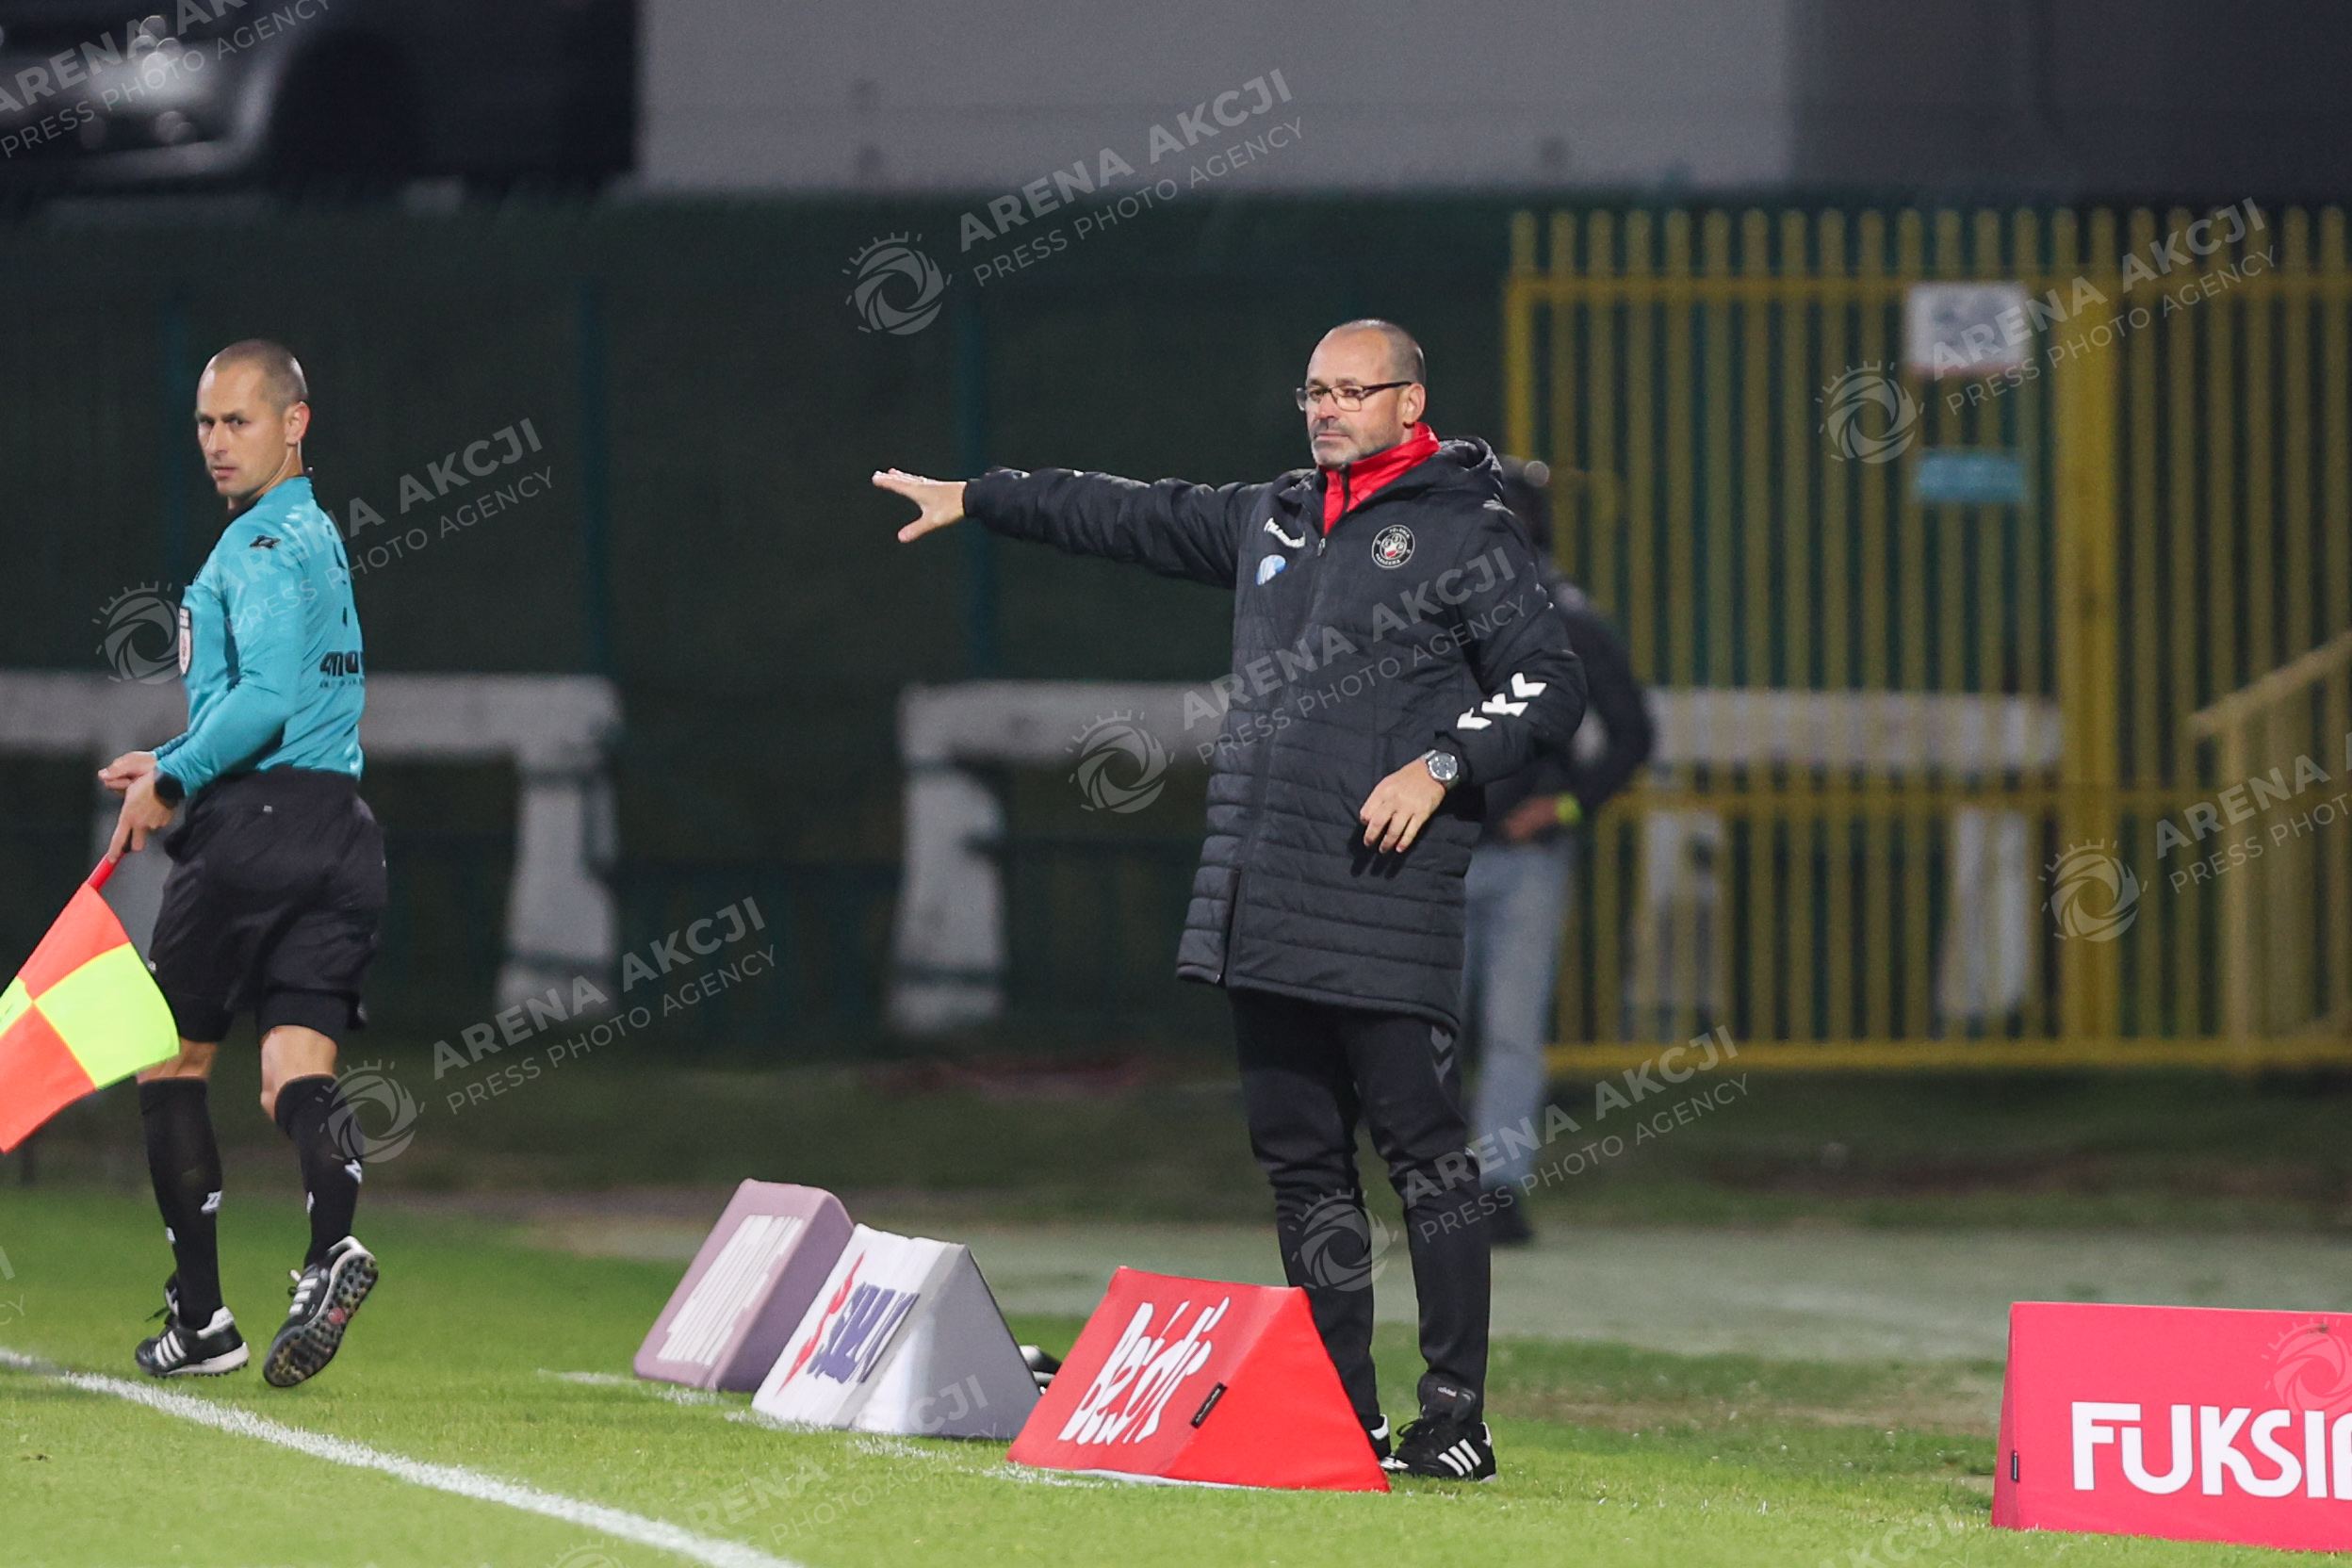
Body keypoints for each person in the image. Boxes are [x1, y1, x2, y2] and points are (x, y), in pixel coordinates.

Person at [875, 319, 1588, 1481]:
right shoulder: (1276, 514)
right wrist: (984, 496)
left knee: (1427, 1162)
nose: (1327, 409)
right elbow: (1124, 512)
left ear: (1411, 403)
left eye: (1352, 390)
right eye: (1314, 391)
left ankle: (1456, 1414)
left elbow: (1549, 681)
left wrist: (1442, 763)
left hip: (1383, 900)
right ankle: (1346, 1412)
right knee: (1303, 1164)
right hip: (1264, 899)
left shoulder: (1468, 525)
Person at [102, 339, 385, 1386]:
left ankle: (202, 1319)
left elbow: (263, 701)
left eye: (240, 421)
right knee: (293, 1075)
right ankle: (331, 1248)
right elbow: (280, 701)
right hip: (342, 831)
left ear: (294, 423)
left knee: (170, 1063)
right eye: (206, 423)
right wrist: (175, 754)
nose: (217, 443)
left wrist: (174, 778)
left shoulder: (256, 546)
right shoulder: (316, 535)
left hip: (253, 833)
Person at [1465, 460, 1656, 1246]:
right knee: (1417, 1032)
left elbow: (1634, 735)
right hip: (1432, 852)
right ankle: (1432, 1187)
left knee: (1511, 1029)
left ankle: (1496, 1188)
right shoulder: (1423, 614)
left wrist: (1566, 806)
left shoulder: (1568, 618)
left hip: (1527, 861)